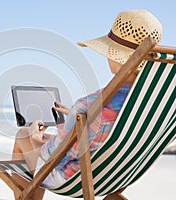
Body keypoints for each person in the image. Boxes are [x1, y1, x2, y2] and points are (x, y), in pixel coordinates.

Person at [11, 9, 163, 199]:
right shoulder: (152, 104)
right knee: (49, 136)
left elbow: (52, 155)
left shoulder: (89, 105)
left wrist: (34, 135)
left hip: (75, 177)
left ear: (115, 56)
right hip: (116, 176)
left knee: (23, 135)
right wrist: (77, 120)